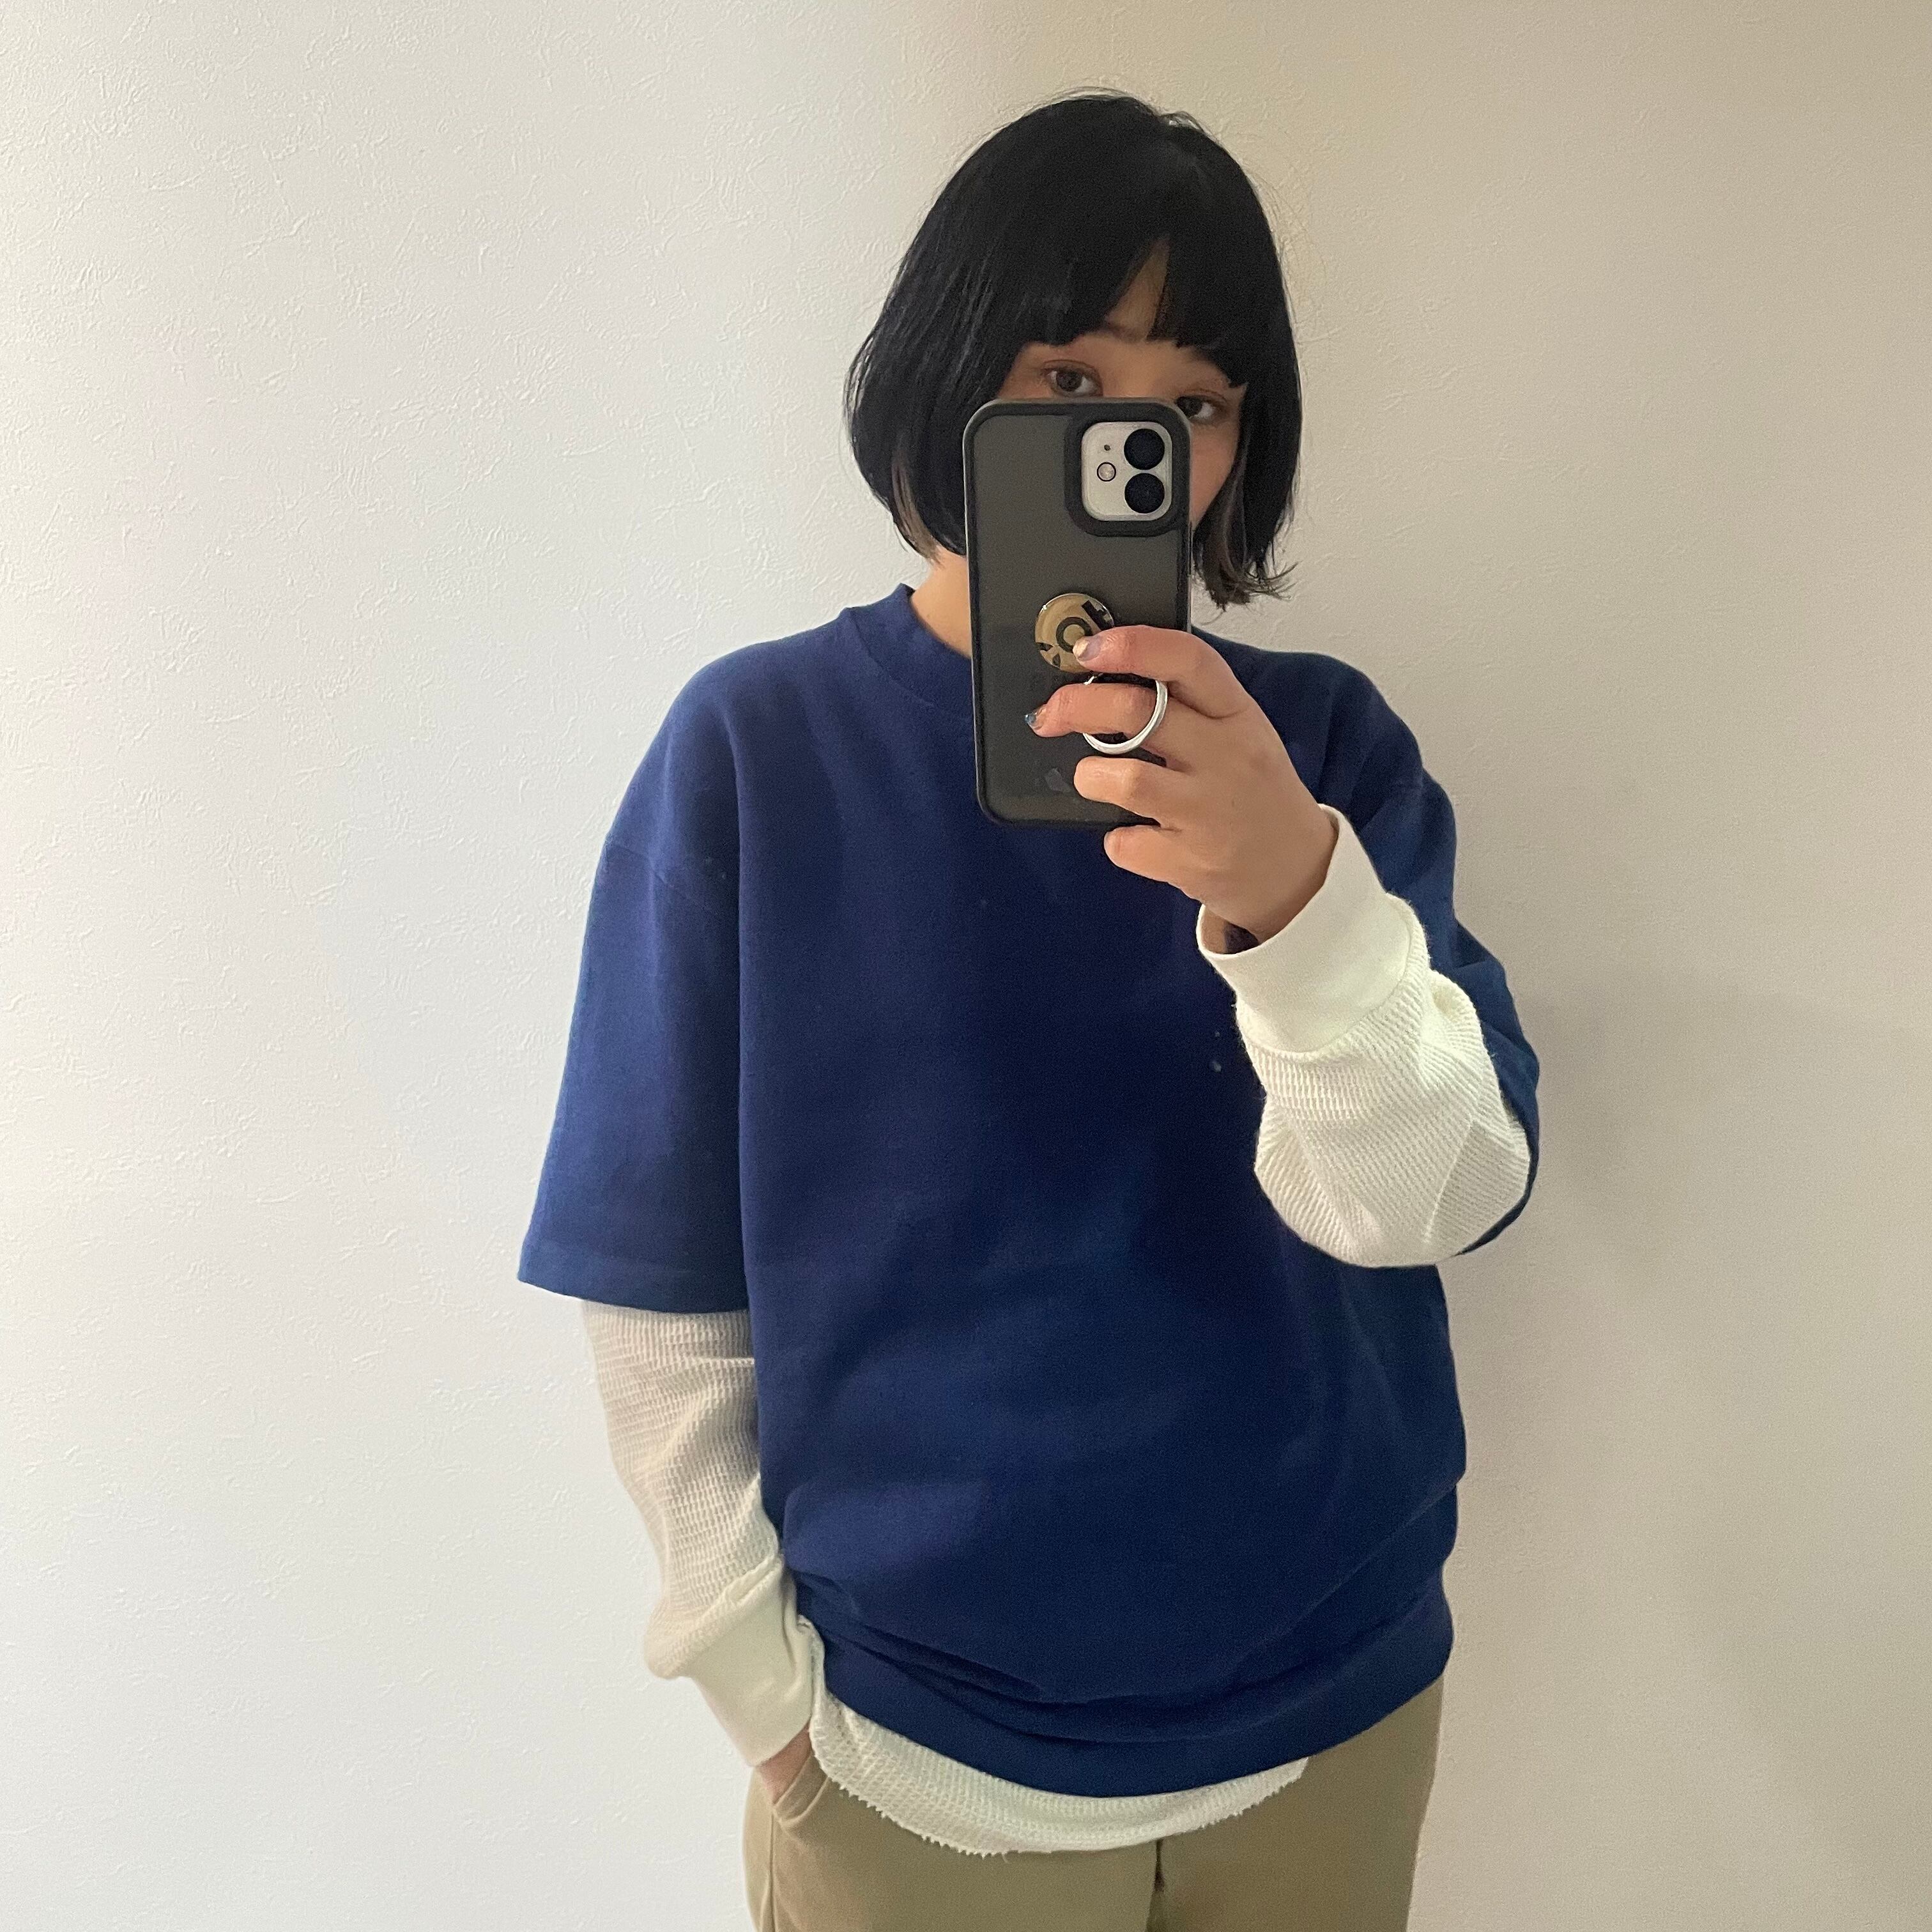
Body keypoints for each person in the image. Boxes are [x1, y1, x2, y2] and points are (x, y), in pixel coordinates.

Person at [518, 88, 1540, 1932]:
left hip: (1331, 1709)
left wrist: (1295, 899)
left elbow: (1434, 1201)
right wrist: (761, 1696)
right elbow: (659, 1275)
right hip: (911, 1759)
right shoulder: (760, 750)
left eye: (1194, 402)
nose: (1132, 443)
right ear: (951, 371)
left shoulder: (1320, 752)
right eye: (1068, 379)